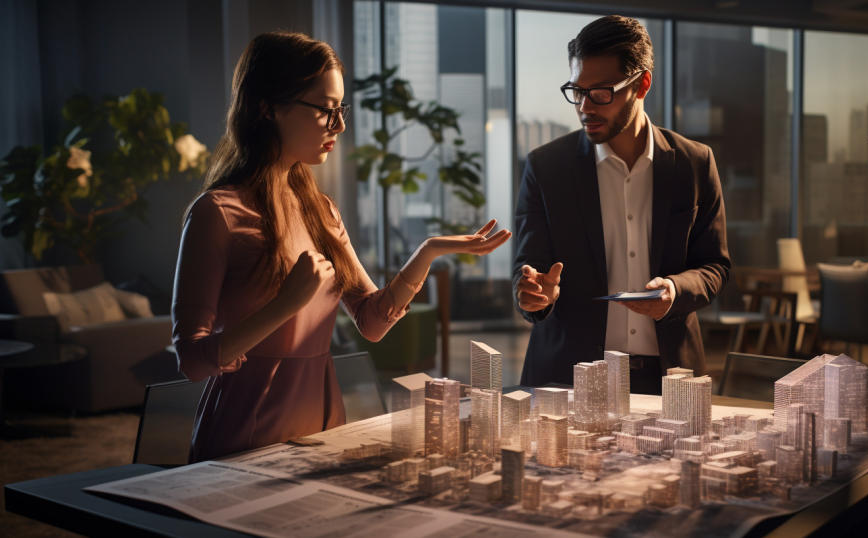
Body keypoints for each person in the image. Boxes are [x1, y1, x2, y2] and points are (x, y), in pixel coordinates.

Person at [173, 32, 510, 462]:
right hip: (243, 439)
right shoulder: (215, 213)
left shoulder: (322, 211)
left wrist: (427, 251)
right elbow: (192, 361)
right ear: (268, 107)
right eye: (325, 110)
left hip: (324, 432)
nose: (340, 125)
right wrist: (286, 303)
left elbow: (372, 321)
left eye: (341, 109)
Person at [513, 15, 730, 394]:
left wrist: (675, 290)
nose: (585, 107)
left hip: (669, 380)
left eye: (600, 92)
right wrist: (535, 295)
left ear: (642, 83)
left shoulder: (694, 163)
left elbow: (715, 265)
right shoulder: (546, 168)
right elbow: (527, 269)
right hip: (569, 376)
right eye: (576, 91)